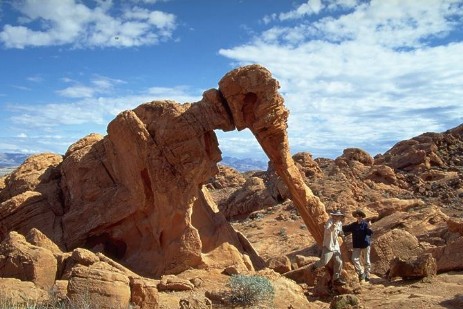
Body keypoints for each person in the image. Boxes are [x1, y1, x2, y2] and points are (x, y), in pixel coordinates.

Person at [311, 209, 346, 285]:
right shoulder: (329, 222)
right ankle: (314, 266)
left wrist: (342, 235)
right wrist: (332, 227)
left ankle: (336, 279)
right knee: (324, 262)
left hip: (335, 246)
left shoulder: (339, 223)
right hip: (328, 246)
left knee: (339, 262)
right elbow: (327, 231)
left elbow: (340, 230)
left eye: (339, 216)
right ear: (333, 216)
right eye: (336, 216)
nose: (337, 217)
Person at [342, 209, 373, 282]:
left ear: (362, 217)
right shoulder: (353, 225)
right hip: (357, 245)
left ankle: (367, 275)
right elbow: (345, 228)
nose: (358, 217)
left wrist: (369, 227)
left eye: (360, 216)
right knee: (354, 259)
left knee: (367, 261)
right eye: (357, 216)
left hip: (365, 244)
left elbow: (369, 233)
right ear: (356, 217)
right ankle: (361, 272)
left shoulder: (365, 224)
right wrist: (337, 226)